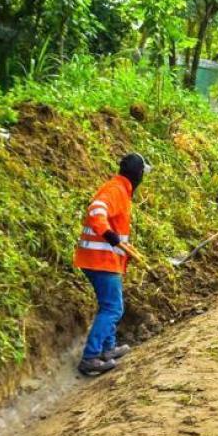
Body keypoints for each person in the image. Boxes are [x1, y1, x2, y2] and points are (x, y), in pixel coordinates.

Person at [73, 153, 150, 375]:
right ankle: (90, 357)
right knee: (113, 307)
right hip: (100, 259)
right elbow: (96, 211)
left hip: (103, 258)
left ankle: (107, 348)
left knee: (110, 305)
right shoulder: (116, 190)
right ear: (138, 174)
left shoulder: (120, 189)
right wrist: (111, 238)